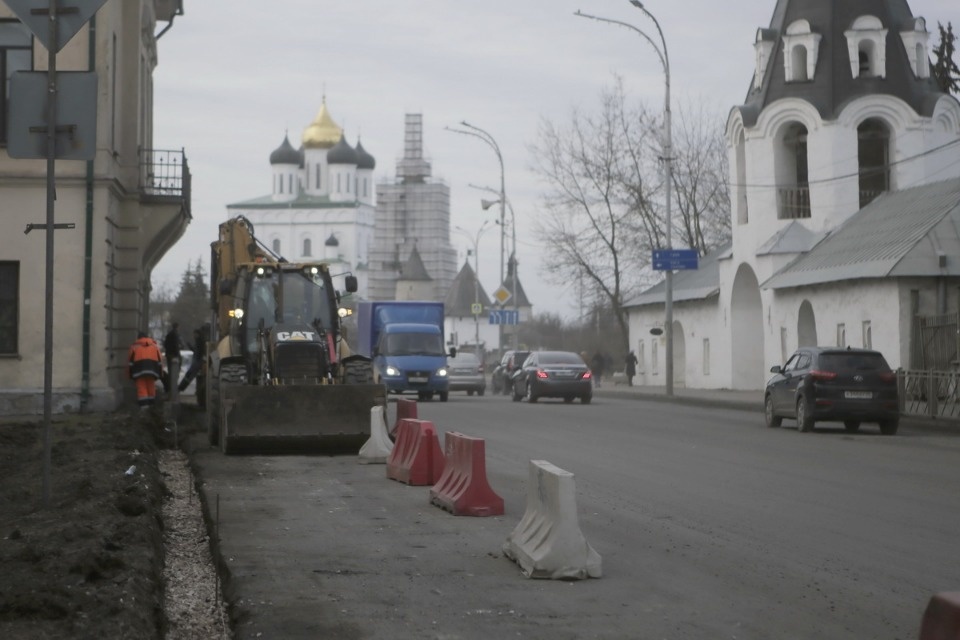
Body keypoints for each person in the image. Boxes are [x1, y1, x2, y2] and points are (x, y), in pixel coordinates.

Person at [128, 331, 163, 409]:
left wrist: (130, 375)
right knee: (151, 387)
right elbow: (160, 361)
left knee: (142, 388)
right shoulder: (154, 346)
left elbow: (130, 362)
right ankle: (152, 406)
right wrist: (160, 374)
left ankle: (144, 408)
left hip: (138, 371)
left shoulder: (134, 346)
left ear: (138, 338)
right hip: (152, 371)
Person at [178, 327, 206, 406]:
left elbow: (199, 351)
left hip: (198, 361)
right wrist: (190, 346)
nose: (193, 335)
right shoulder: (199, 341)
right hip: (197, 361)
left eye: (194, 334)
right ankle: (181, 388)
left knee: (190, 374)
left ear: (197, 334)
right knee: (193, 375)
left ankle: (180, 388)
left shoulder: (200, 341)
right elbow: (196, 350)